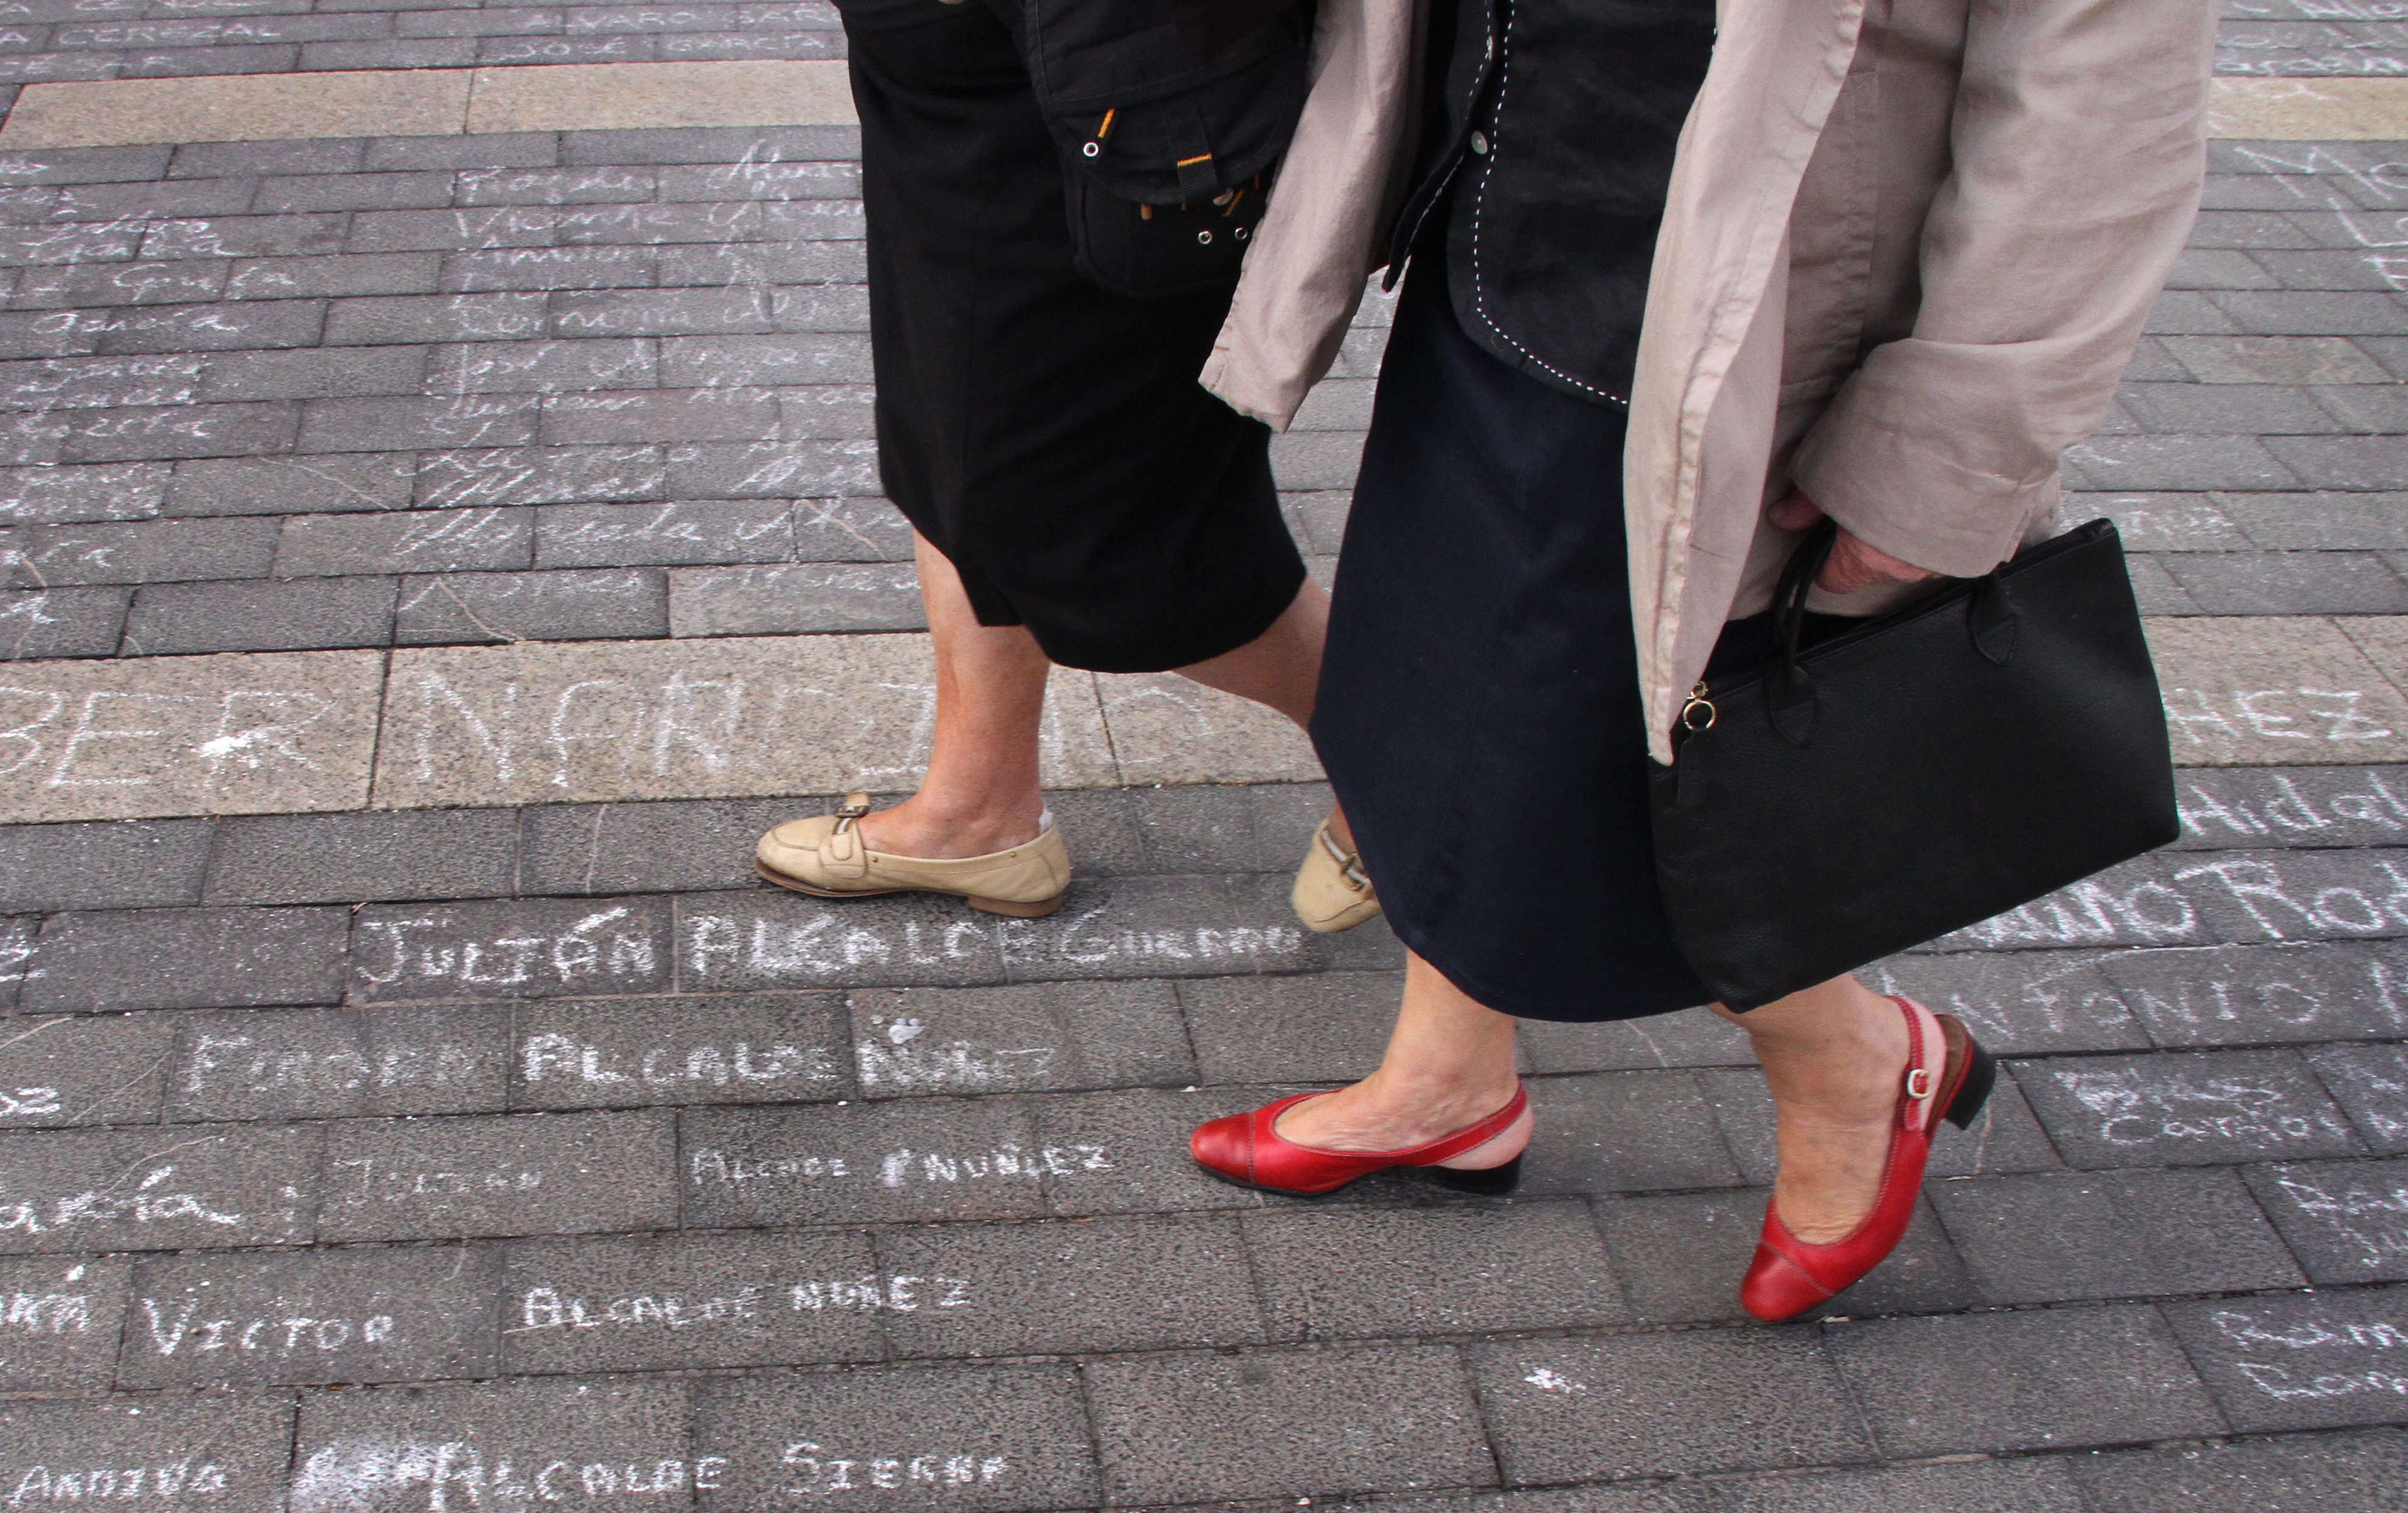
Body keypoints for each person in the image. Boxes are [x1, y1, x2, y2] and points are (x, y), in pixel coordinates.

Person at [1184, 0, 2216, 1318]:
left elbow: (2101, 86)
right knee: (1427, 688)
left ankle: (1858, 1059)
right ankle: (1446, 1083)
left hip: (1738, 302)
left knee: (1591, 773)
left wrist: (1941, 448)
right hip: (1504, 199)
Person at [750, 0, 1379, 935]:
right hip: (958, 78)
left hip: (1120, 68)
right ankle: (980, 807)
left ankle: (1416, 754)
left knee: (1108, 540)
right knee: (944, 446)